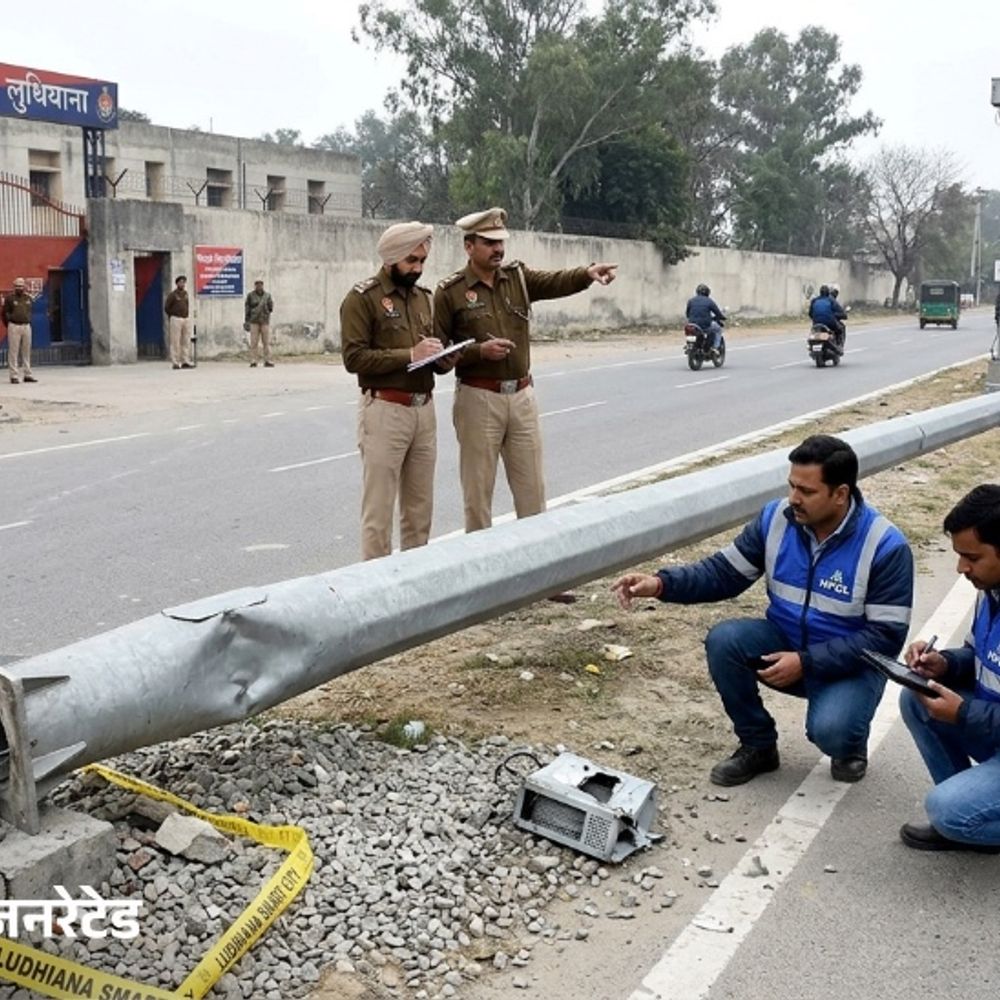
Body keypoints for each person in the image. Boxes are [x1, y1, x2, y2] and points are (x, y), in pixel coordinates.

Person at [612, 434, 914, 787]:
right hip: (785, 643)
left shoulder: (884, 545)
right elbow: (723, 573)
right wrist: (661, 584)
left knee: (833, 732)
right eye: (791, 486)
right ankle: (758, 745)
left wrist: (806, 661)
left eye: (807, 491)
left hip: (848, 665)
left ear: (841, 494)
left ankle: (850, 743)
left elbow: (884, 638)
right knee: (726, 640)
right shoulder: (777, 520)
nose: (794, 499)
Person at [434, 206, 617, 533]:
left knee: (532, 492)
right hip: (478, 399)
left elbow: (554, 281)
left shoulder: (516, 277)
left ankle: (539, 576)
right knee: (478, 496)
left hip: (521, 396)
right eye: (489, 243)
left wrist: (587, 273)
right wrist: (478, 351)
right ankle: (484, 572)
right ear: (469, 246)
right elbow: (438, 353)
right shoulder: (451, 292)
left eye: (501, 241)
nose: (498, 249)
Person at [341, 221, 456, 561]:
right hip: (385, 410)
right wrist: (410, 354)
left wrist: (446, 358)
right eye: (411, 261)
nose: (418, 268)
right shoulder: (363, 299)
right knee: (379, 510)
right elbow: (354, 358)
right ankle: (378, 591)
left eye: (422, 260)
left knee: (419, 508)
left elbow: (429, 355)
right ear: (392, 258)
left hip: (424, 410)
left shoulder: (424, 299)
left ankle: (414, 584)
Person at [898, 484, 1000, 853]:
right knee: (918, 697)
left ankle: (963, 817)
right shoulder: (991, 593)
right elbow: (977, 659)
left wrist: (963, 712)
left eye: (971, 557)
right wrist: (944, 663)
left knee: (946, 812)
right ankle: (974, 809)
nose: (961, 568)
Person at [3, 277, 37, 384]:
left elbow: (29, 310)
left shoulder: (28, 298)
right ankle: (14, 375)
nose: (19, 288)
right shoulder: (9, 298)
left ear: (24, 286)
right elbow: (4, 313)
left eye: (21, 286)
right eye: (17, 286)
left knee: (26, 351)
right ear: (14, 286)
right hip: (14, 326)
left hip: (26, 326)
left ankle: (27, 374)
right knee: (14, 351)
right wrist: (9, 322)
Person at [685, 283, 725, 355]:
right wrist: (722, 317)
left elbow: (687, 314)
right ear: (707, 292)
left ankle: (690, 345)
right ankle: (715, 347)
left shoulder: (691, 301)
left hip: (692, 324)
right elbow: (717, 312)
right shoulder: (709, 301)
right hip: (705, 325)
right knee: (718, 329)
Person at [164, 275, 194, 370]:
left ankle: (185, 360)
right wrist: (172, 315)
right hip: (176, 319)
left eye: (184, 282)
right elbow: (167, 307)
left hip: (185, 319)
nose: (182, 284)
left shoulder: (185, 294)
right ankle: (175, 362)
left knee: (185, 341)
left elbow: (187, 305)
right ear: (177, 283)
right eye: (180, 282)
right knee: (175, 341)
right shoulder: (173, 295)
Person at [244, 279, 275, 367]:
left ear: (263, 286)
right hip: (254, 321)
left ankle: (268, 360)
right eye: (257, 285)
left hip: (265, 321)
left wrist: (265, 310)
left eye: (260, 285)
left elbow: (271, 308)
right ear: (255, 286)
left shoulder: (267, 296)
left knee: (266, 342)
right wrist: (247, 320)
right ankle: (253, 360)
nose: (259, 287)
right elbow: (247, 309)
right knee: (254, 342)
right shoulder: (250, 296)